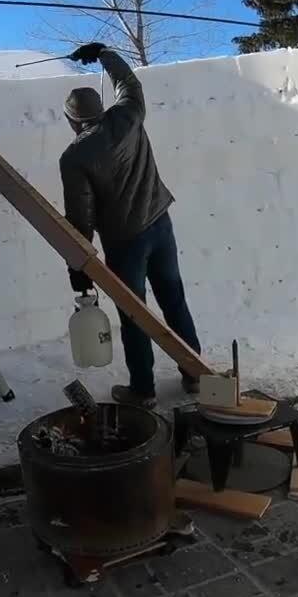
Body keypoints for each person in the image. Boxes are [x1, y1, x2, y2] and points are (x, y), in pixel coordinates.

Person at [59, 42, 203, 408]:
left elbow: (80, 216)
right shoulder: (128, 114)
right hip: (160, 223)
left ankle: (143, 390)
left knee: (134, 313)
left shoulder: (75, 157)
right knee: (174, 299)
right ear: (101, 109)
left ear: (72, 120)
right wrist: (104, 53)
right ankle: (196, 375)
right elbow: (128, 81)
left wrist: (79, 266)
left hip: (125, 242)